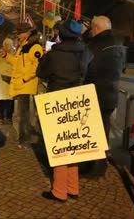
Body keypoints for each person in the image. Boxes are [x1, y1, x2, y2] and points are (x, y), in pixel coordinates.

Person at [36, 19, 89, 202]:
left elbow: (41, 74)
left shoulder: (54, 54)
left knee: (59, 146)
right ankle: (73, 188)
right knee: (74, 145)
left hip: (58, 101)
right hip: (79, 100)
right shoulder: (85, 53)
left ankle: (59, 191)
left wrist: (45, 57)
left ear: (60, 34)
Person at [83, 15, 125, 177]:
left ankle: (94, 167)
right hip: (111, 94)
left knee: (92, 132)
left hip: (95, 94)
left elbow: (86, 69)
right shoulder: (119, 43)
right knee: (104, 130)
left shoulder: (95, 45)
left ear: (96, 29)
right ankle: (100, 165)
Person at [0, 23, 43, 150]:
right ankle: (24, 138)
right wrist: (6, 56)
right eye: (18, 33)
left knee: (24, 115)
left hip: (27, 85)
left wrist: (25, 78)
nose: (19, 35)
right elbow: (17, 63)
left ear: (28, 33)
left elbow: (37, 66)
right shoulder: (22, 46)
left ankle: (25, 140)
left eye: (20, 33)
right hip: (21, 84)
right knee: (22, 115)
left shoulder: (34, 47)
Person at [0, 38, 15, 125]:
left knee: (10, 100)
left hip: (11, 81)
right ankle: (0, 117)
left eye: (8, 44)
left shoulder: (14, 55)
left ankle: (9, 117)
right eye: (5, 44)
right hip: (0, 81)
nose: (6, 46)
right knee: (0, 100)